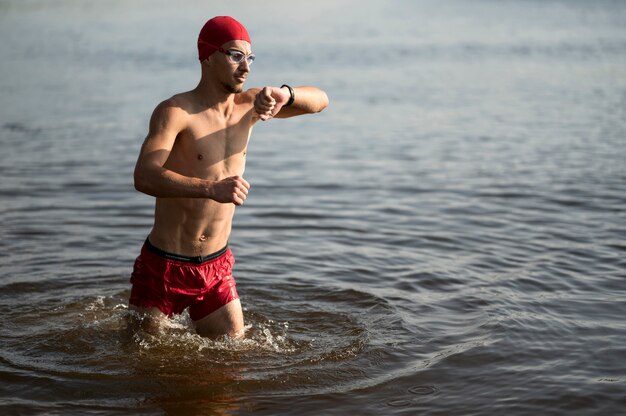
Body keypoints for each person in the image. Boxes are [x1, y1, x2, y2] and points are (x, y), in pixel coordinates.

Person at [128, 16, 329, 338]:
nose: (245, 66)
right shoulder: (176, 111)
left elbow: (320, 101)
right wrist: (211, 188)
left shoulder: (249, 105)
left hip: (216, 266)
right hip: (164, 266)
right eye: (236, 55)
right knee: (140, 366)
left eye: (250, 58)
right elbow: (144, 176)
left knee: (234, 362)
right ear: (207, 56)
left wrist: (283, 94)